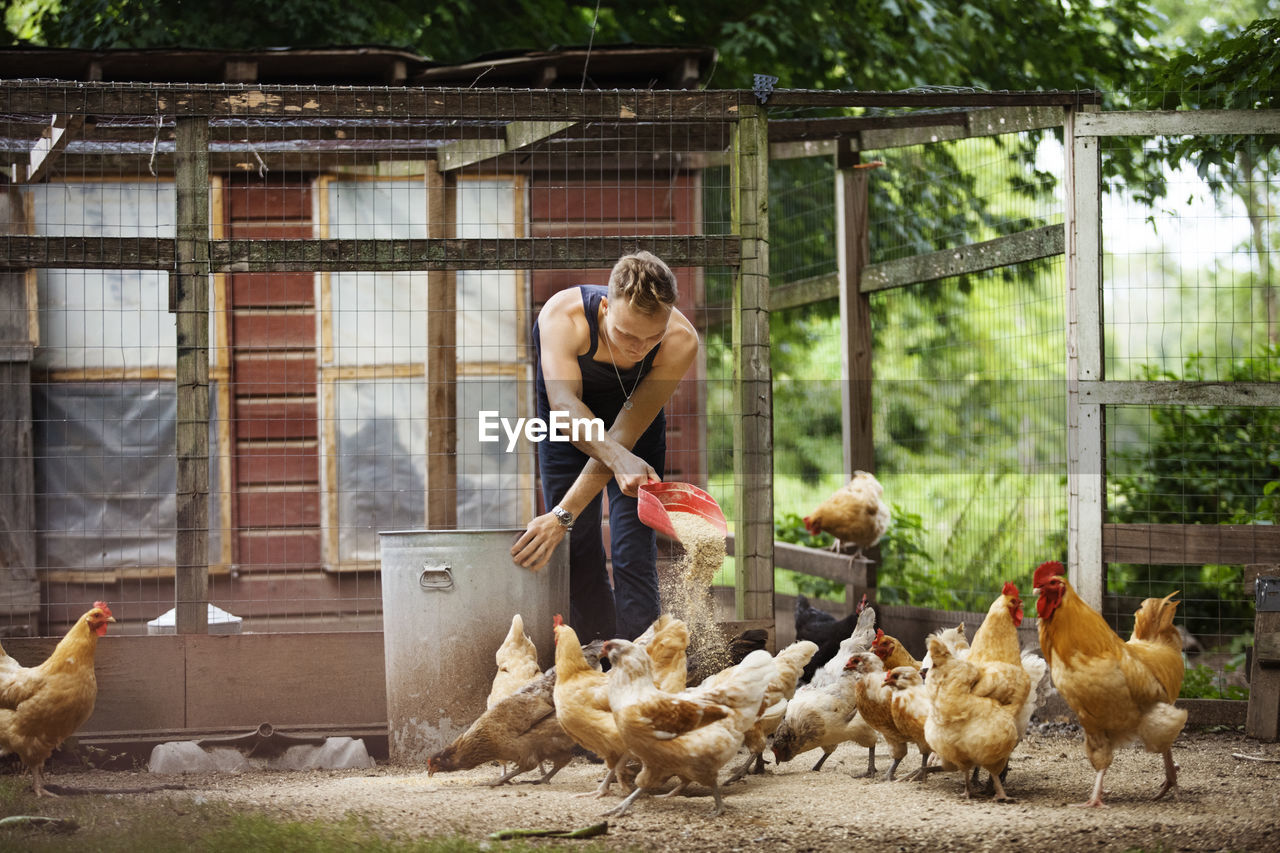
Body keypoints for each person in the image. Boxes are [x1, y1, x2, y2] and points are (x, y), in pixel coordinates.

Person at [511, 252, 699, 642]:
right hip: (568, 419)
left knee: (633, 551)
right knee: (577, 548)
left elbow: (626, 432)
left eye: (652, 337)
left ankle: (640, 667)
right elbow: (565, 408)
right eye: (627, 335)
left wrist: (621, 458)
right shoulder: (562, 318)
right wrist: (564, 517)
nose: (639, 348)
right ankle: (595, 663)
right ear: (606, 306)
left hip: (634, 427)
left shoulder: (680, 342)